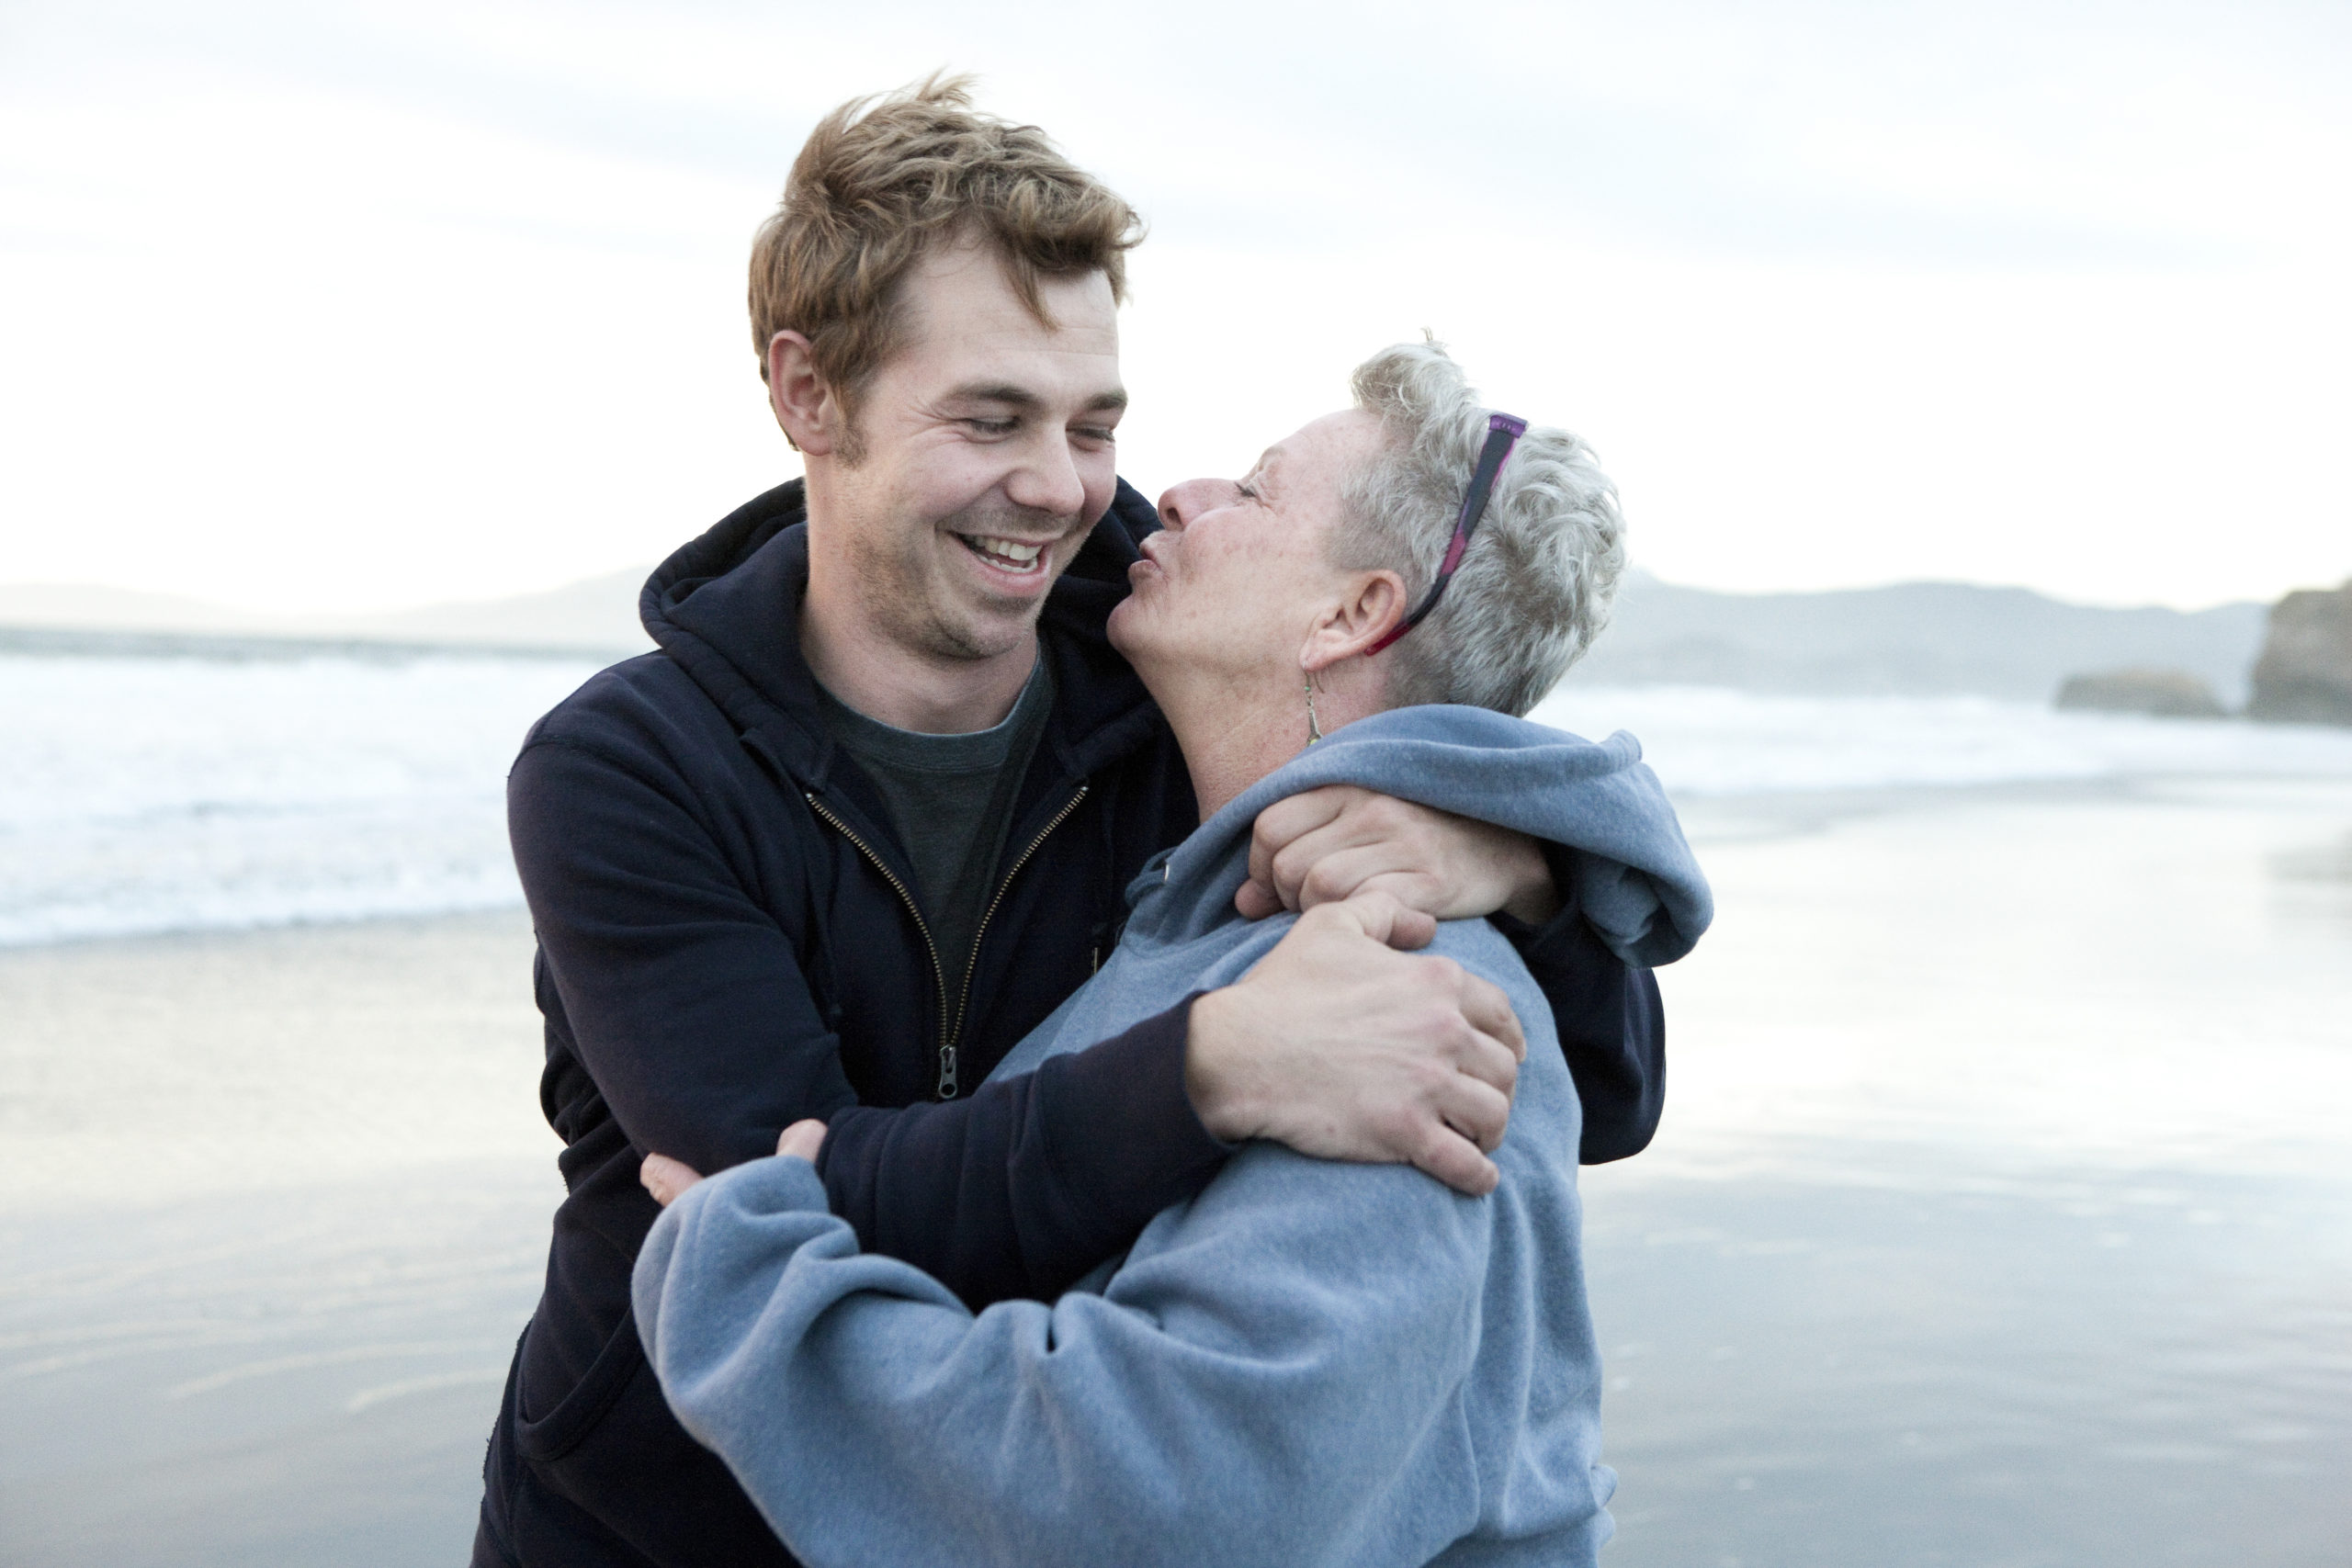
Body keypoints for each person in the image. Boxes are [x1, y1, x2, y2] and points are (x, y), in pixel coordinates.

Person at [473, 79, 1668, 1568]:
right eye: (991, 419)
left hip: (1016, 1485)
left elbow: (1594, 1091)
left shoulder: (1180, 681)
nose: (1060, 489)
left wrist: (1519, 867)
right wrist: (1214, 1069)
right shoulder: (628, 768)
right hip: (665, 1525)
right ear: (807, 394)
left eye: (1093, 422)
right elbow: (774, 1211)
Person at [632, 340, 1713, 1567]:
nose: (1180, 493)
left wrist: (751, 1286)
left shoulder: (1392, 1002)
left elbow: (1161, 1505)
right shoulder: (1214, 885)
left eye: (1256, 490)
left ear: (1353, 613)